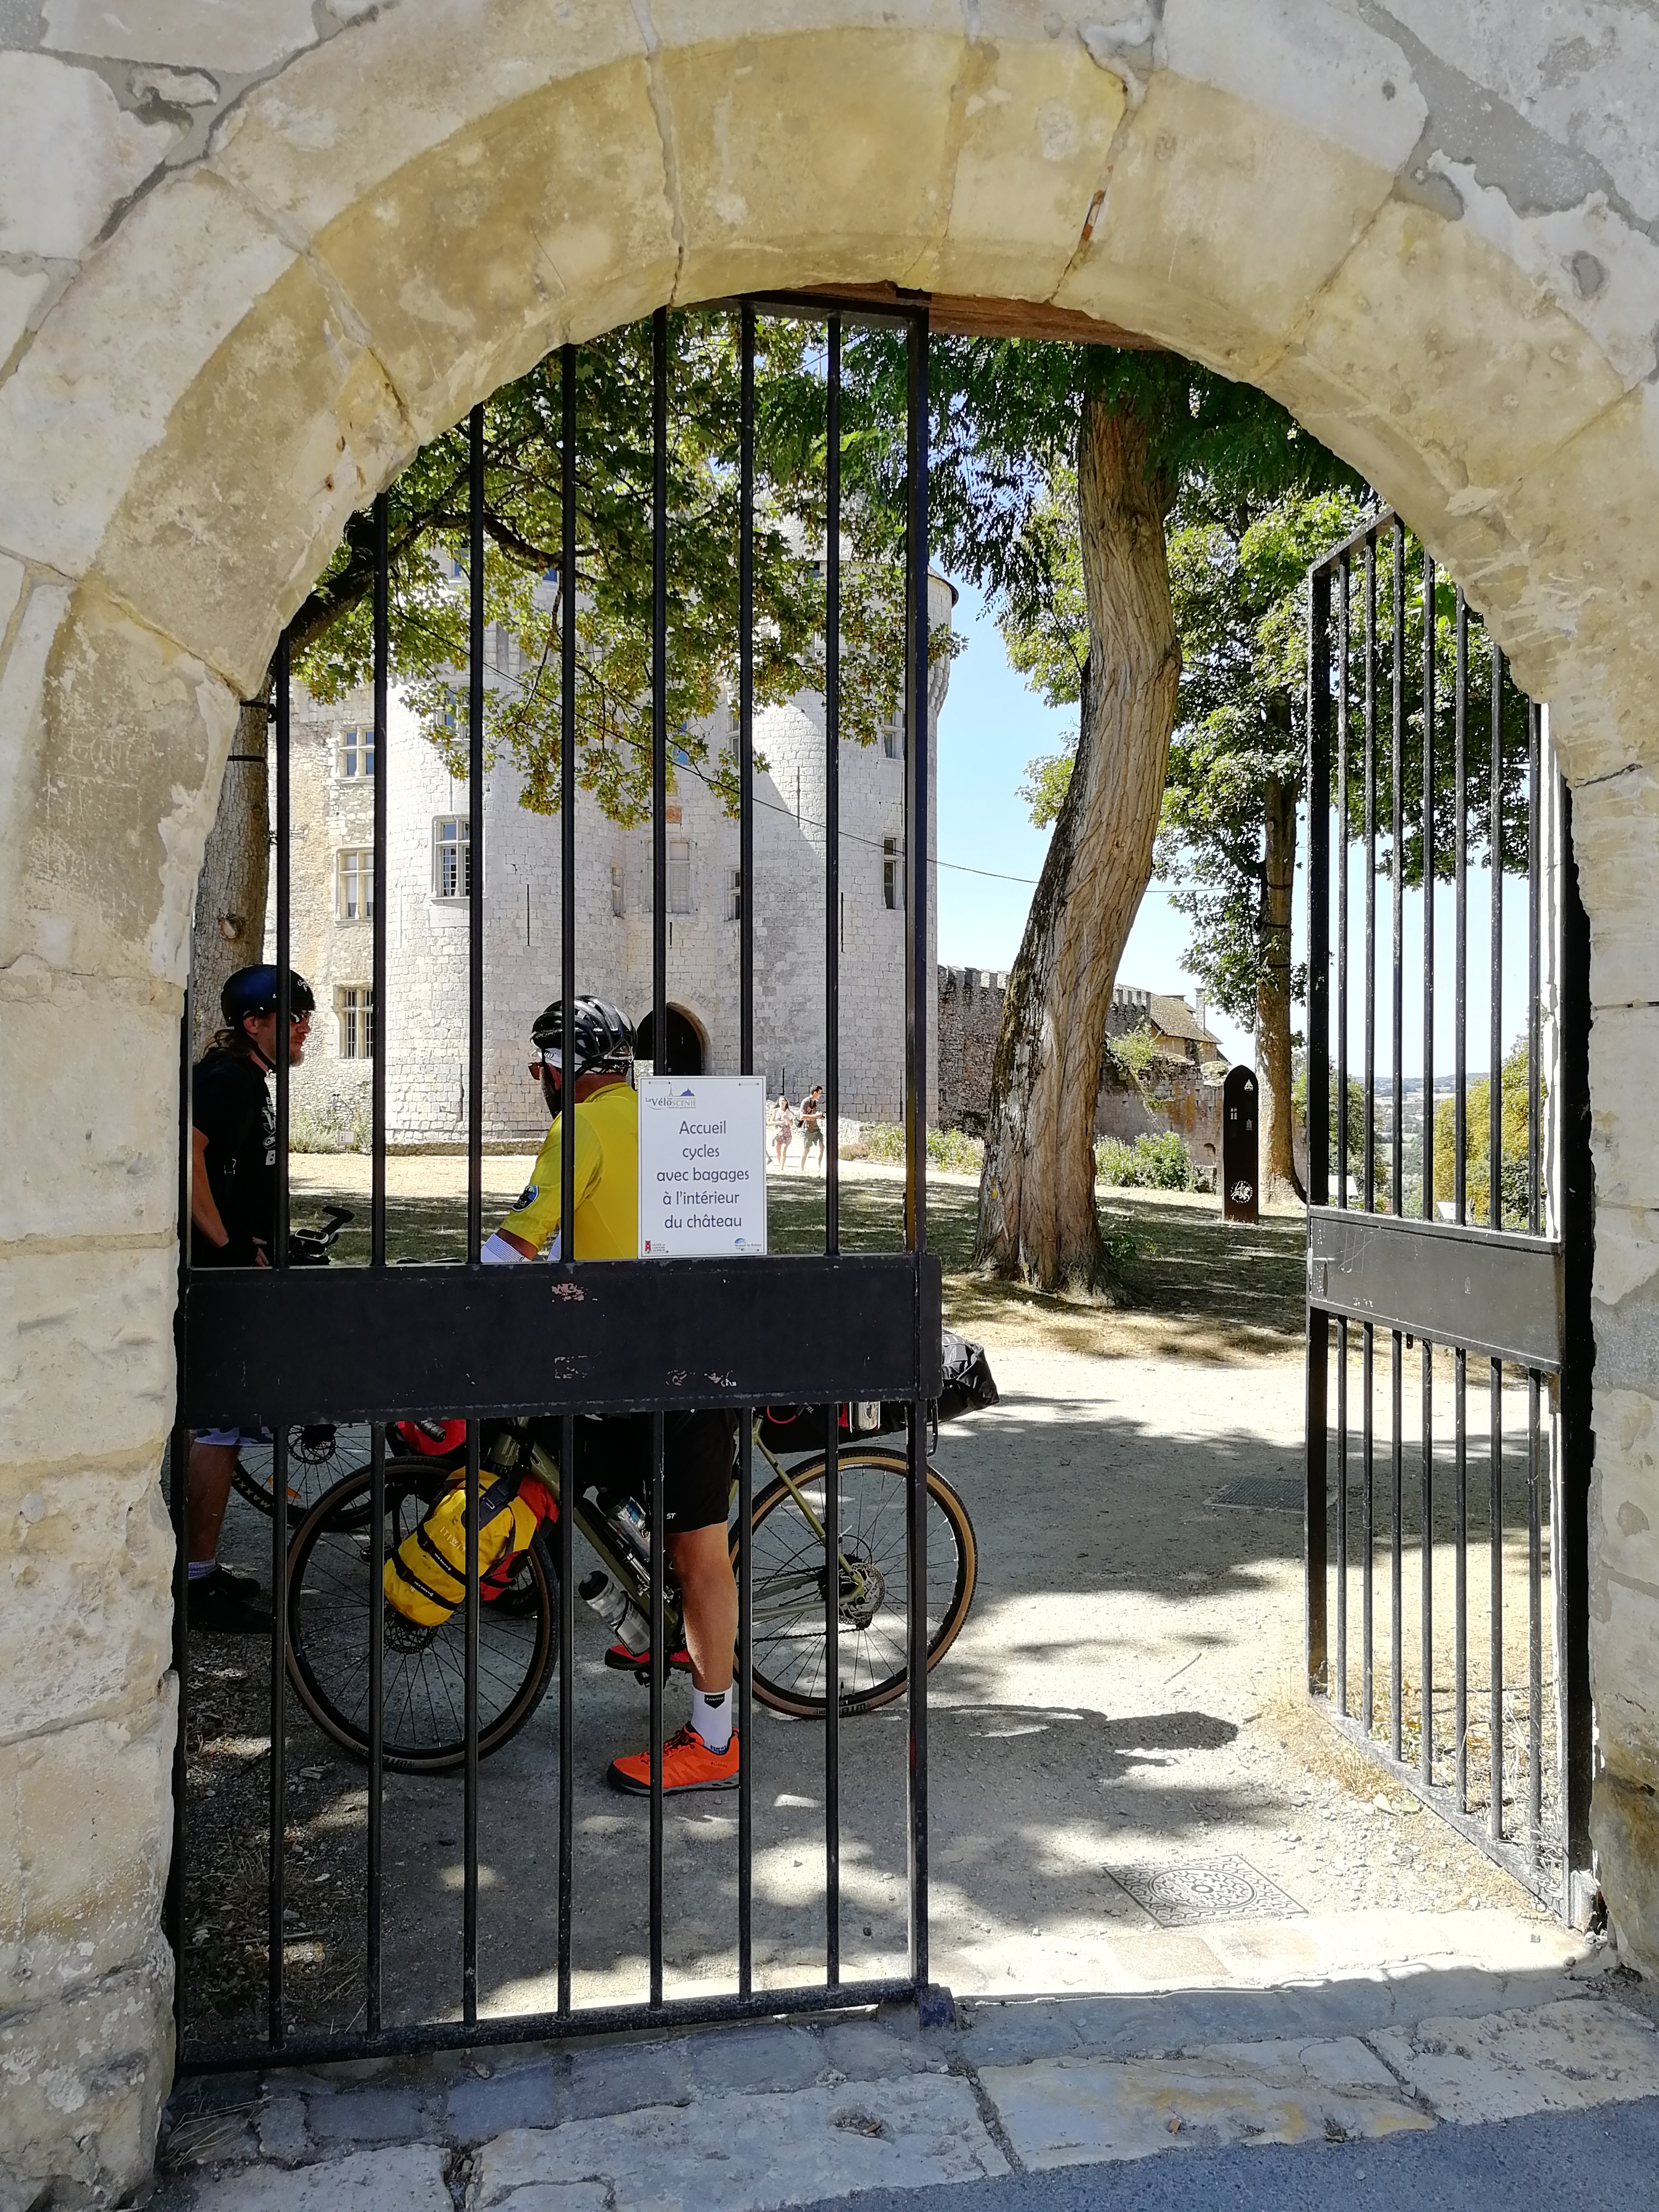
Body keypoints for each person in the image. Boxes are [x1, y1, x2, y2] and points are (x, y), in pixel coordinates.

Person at [484, 996, 742, 1796]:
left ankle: (716, 1740)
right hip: (685, 1349)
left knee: (699, 1552)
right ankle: (647, 1621)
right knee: (597, 1471)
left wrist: (446, 1303)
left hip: (670, 1368)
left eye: (540, 1068)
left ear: (561, 1069)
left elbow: (513, 1247)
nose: (540, 1082)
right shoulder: (666, 1114)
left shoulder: (580, 1127)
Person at [187, 964, 315, 1634]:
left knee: (229, 1424)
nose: (303, 1028)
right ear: (253, 1022)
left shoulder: (249, 1078)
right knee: (218, 1425)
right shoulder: (228, 1080)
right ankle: (193, 1581)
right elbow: (188, 1158)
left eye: (306, 1017)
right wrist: (228, 1244)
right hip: (219, 1277)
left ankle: (201, 1568)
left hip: (236, 1268)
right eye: (291, 1017)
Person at [798, 1083, 826, 1173]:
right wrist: (815, 1116)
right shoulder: (805, 1102)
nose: (820, 1095)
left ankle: (819, 1167)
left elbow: (816, 1114)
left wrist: (820, 1116)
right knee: (806, 1150)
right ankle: (801, 1169)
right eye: (819, 1093)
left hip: (816, 1128)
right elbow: (802, 1117)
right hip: (808, 1129)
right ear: (815, 1093)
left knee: (822, 1147)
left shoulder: (816, 1103)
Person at [772, 1090, 794, 1171]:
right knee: (778, 1154)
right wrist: (778, 1122)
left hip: (786, 1134)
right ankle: (780, 1164)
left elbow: (791, 1124)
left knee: (783, 1151)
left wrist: (787, 1118)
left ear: (786, 1103)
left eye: (783, 1101)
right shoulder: (775, 1111)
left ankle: (782, 1168)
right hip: (777, 1134)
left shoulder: (789, 1113)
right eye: (780, 1101)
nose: (782, 1102)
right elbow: (771, 1122)